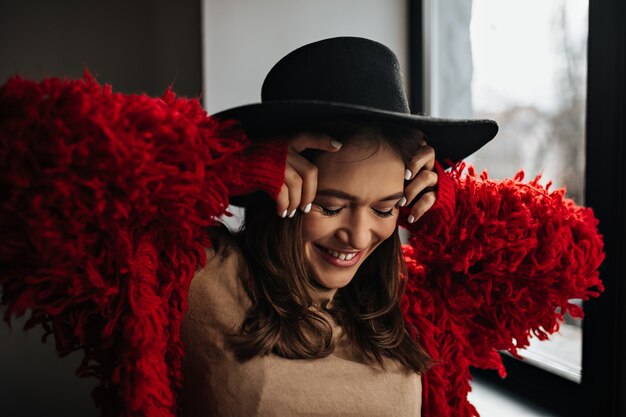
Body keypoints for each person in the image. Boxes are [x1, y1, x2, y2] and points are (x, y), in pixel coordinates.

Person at [0, 37, 604, 417]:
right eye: (332, 205)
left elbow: (576, 260)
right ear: (278, 183)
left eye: (387, 208)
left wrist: (454, 207)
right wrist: (213, 163)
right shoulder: (181, 274)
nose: (360, 236)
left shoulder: (420, 303)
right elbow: (24, 162)